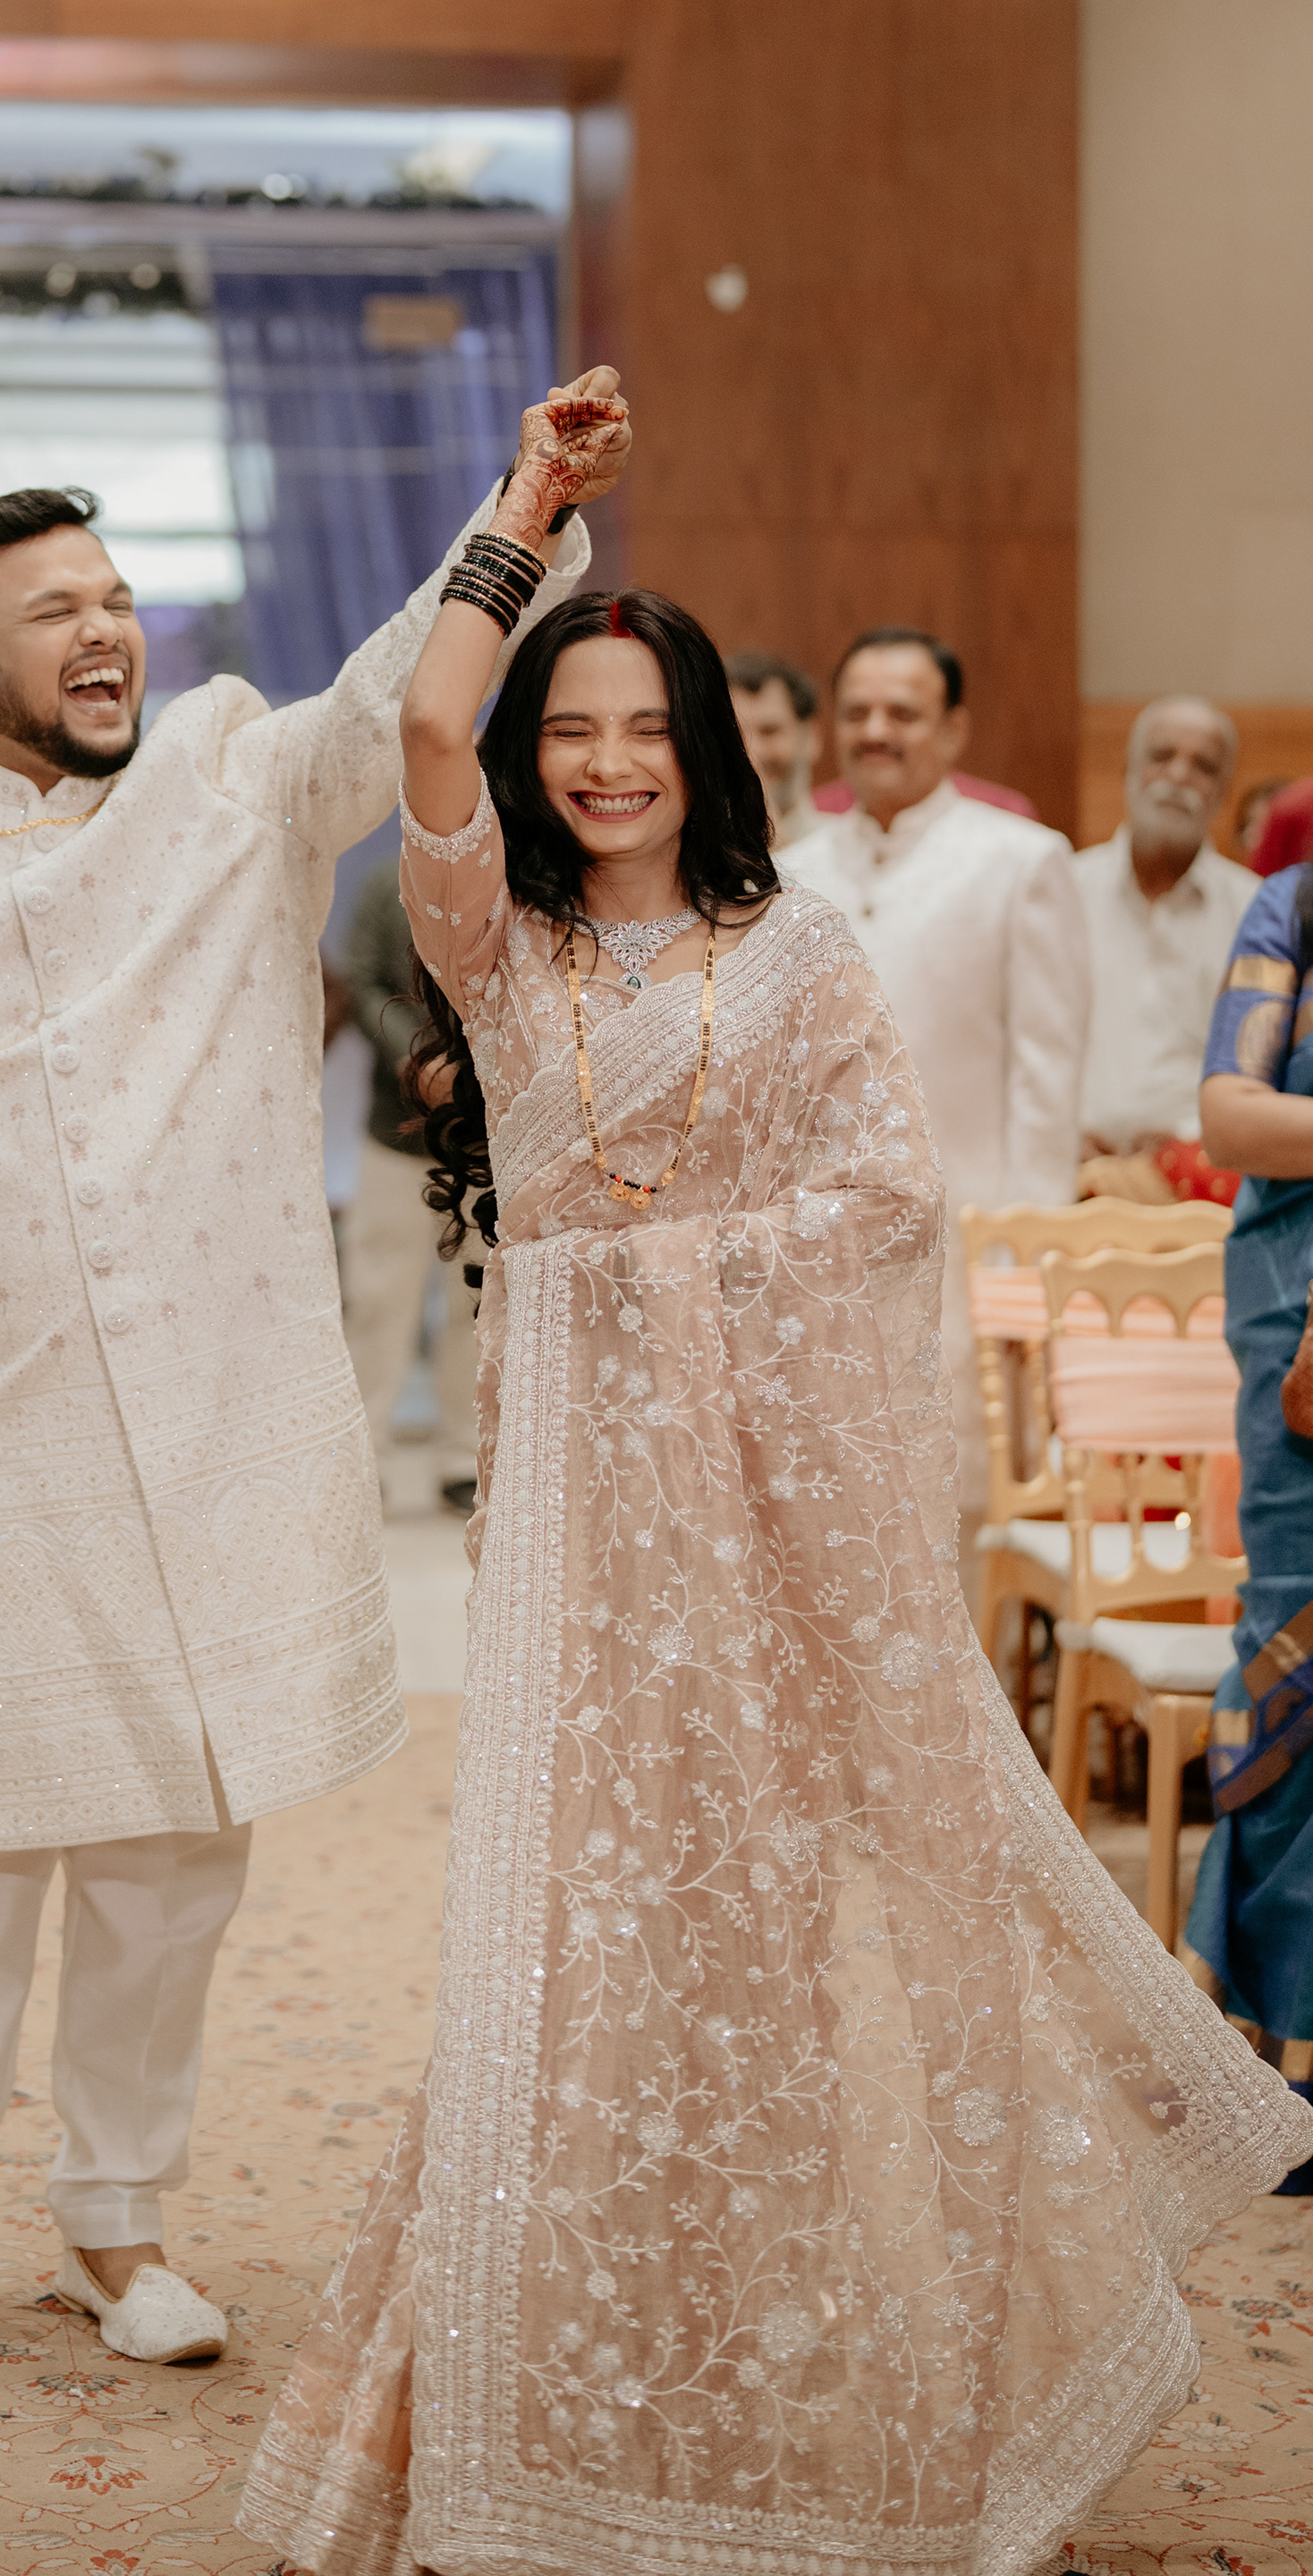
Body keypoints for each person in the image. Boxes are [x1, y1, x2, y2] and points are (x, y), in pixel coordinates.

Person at [236, 402, 1312, 2576]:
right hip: (575, 1526)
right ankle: (538, 2379)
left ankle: (769, 2354)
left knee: (762, 1918)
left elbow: (886, 1200)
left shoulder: (799, 949)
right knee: (565, 1926)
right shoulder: (495, 944)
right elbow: (430, 722)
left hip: (771, 1506)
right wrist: (527, 513)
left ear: (708, 750)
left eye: (649, 728)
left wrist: (660, 1270)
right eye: (574, 730)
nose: (606, 764)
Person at [0, 455, 596, 2381]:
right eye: (57, 610)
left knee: (173, 1861)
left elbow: (392, 696)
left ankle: (121, 2226)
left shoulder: (232, 782)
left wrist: (523, 508)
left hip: (211, 1430)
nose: (105, 629)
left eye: (117, 598)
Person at [788, 625, 1089, 1512]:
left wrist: (1026, 1255)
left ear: (954, 729)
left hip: (967, 1239)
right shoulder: (788, 873)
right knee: (825, 1496)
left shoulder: (1021, 861)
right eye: (858, 713)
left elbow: (1046, 1075)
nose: (877, 731)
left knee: (960, 1501)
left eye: (903, 713)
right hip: (815, 1240)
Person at [1186, 861, 1313, 2190]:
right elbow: (1231, 1115)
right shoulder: (1295, 910)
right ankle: (1285, 2064)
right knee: (1297, 1657)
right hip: (1299, 1327)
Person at [339, 853, 479, 1513]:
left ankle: (465, 1458)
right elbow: (363, 980)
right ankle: (364, 1459)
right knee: (376, 1298)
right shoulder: (383, 881)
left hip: (485, 1135)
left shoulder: (510, 870)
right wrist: (417, 1057)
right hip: (393, 1131)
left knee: (477, 1302)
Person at [1072, 696, 1253, 1198]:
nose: (1178, 776)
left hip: (1203, 1188)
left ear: (1223, 792)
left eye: (1203, 767)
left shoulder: (1255, 912)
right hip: (1067, 1177)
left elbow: (1265, 1068)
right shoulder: (1061, 890)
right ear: (1127, 769)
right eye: (1162, 756)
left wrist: (1184, 1143)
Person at [724, 648, 822, 846]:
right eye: (734, 735)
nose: (751, 753)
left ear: (811, 738)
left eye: (769, 731)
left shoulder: (852, 850)